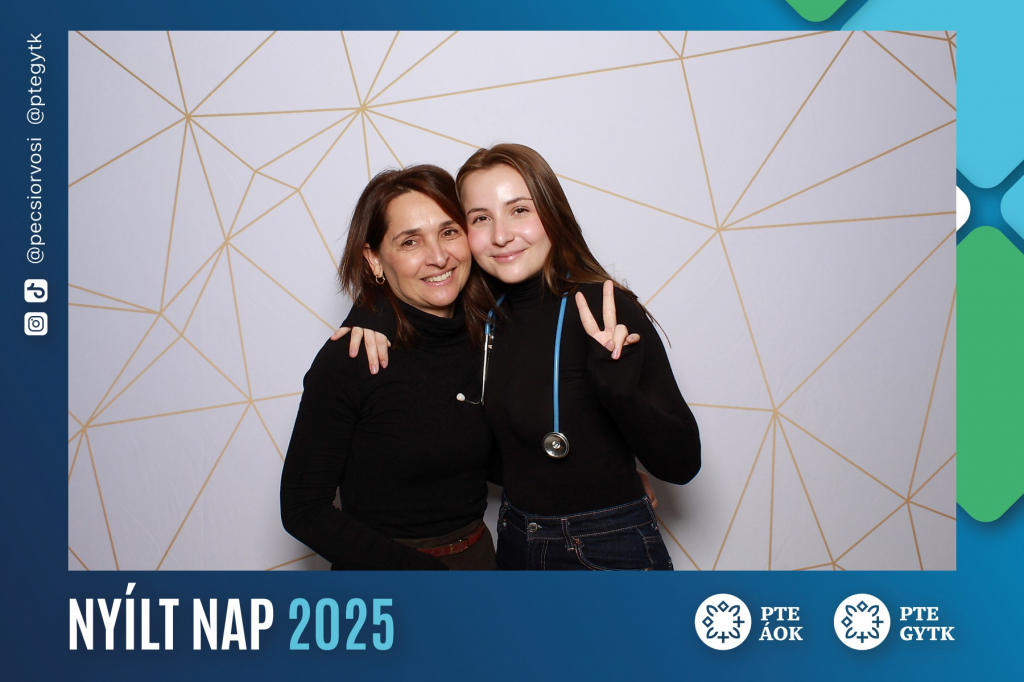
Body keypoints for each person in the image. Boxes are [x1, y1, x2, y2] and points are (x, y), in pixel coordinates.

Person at [340, 144, 701, 571]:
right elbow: (414, 278)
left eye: (519, 210)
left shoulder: (603, 308)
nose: (501, 235)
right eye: (480, 218)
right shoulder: (480, 313)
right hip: (515, 539)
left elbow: (682, 465)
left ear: (551, 212)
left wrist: (623, 399)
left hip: (607, 546)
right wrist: (369, 314)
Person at [280, 165, 498, 570]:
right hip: (386, 580)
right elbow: (303, 509)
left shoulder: (488, 338)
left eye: (449, 232)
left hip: (480, 565)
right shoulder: (352, 358)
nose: (439, 256)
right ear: (374, 260)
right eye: (410, 241)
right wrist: (426, 579)